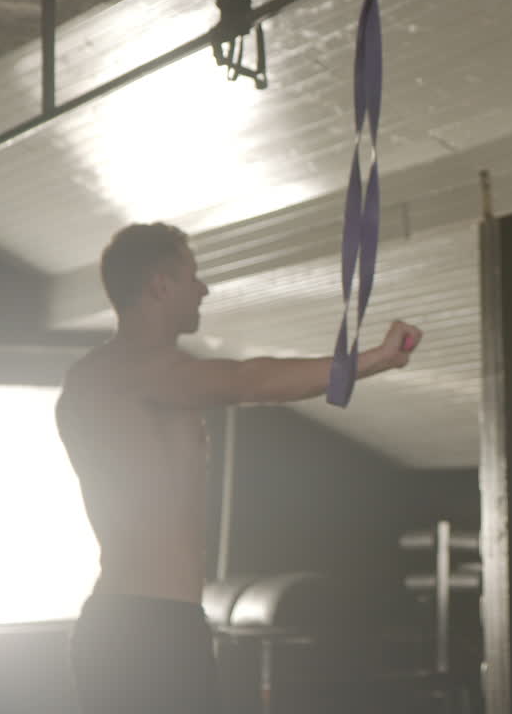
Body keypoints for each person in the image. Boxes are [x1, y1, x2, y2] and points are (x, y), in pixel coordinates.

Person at [54, 222, 421, 714]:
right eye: (192, 276)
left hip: (140, 621)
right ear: (160, 286)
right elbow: (251, 380)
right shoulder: (135, 373)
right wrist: (372, 360)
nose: (203, 289)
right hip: (148, 629)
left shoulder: (95, 378)